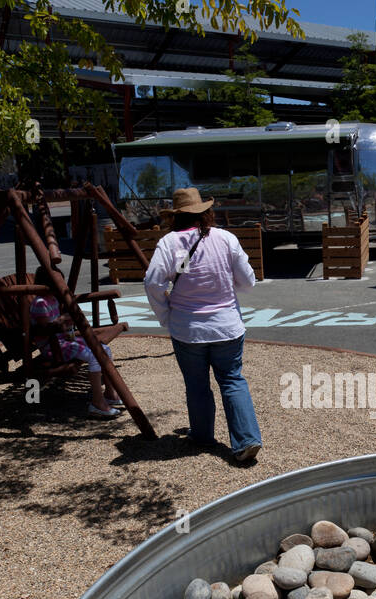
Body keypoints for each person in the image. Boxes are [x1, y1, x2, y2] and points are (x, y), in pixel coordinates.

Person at [144, 186, 262, 463]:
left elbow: (152, 282)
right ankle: (246, 440)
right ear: (205, 212)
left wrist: (166, 316)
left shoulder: (169, 243)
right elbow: (247, 282)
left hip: (187, 328)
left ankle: (202, 436)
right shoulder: (225, 239)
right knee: (232, 380)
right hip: (227, 325)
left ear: (175, 216)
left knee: (196, 385)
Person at [29, 266, 124, 418]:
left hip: (63, 341)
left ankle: (110, 393)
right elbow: (44, 330)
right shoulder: (40, 303)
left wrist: (66, 322)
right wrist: (60, 322)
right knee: (94, 355)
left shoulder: (52, 299)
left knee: (104, 349)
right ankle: (97, 403)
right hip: (52, 348)